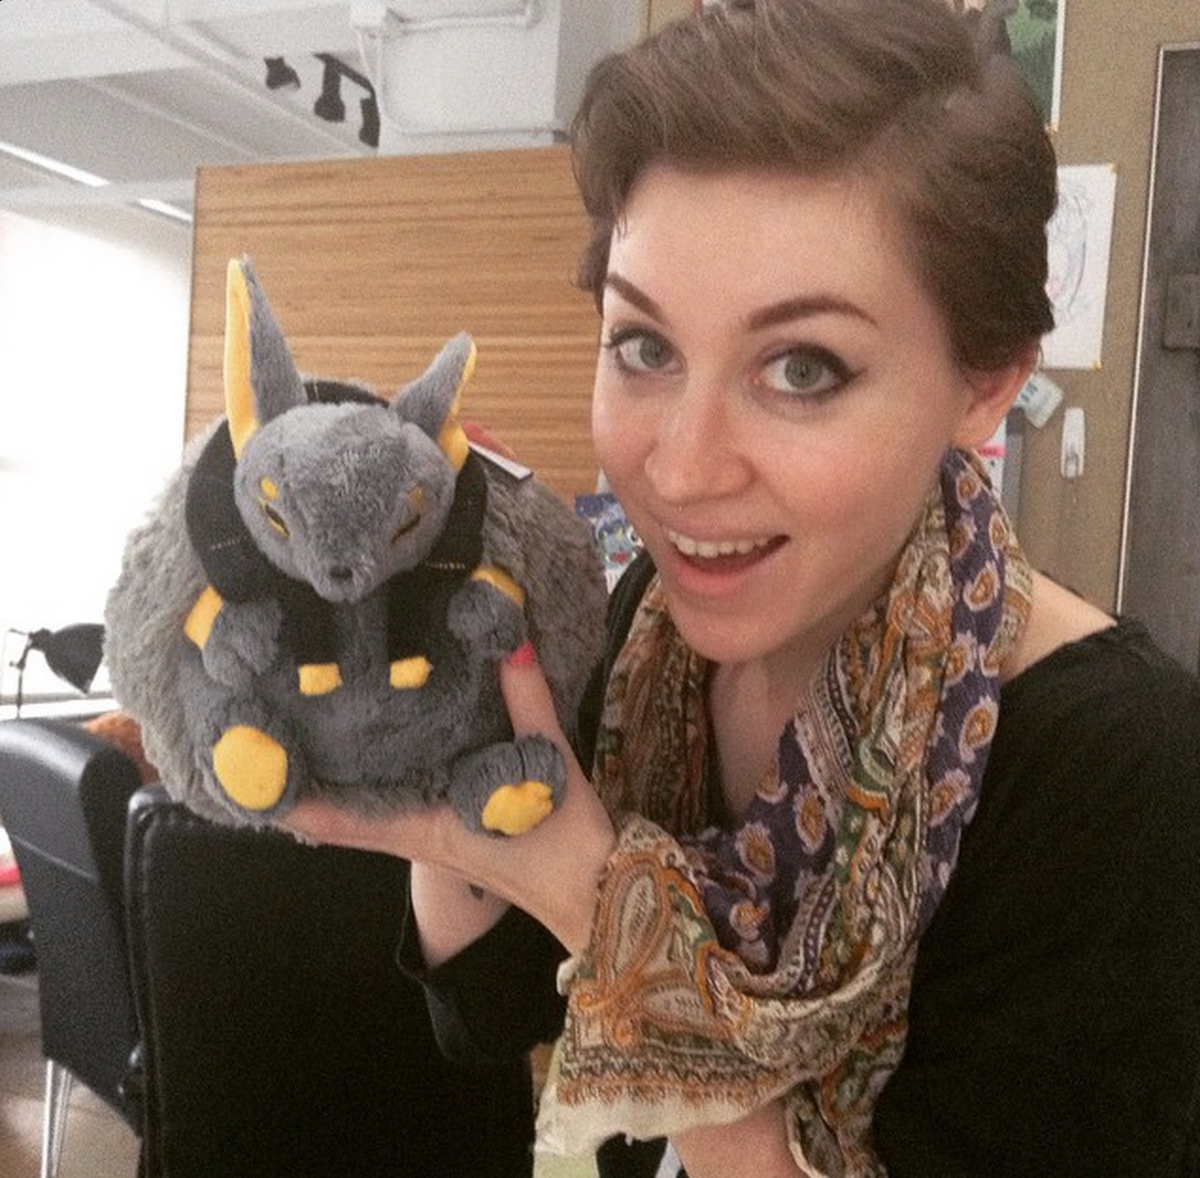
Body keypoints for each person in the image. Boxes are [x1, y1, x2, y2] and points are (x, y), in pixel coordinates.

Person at [282, 1, 1200, 1175]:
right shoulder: (649, 634)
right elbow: (493, 1006)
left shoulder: (1121, 771)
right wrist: (445, 764)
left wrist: (605, 906)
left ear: (983, 384)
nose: (679, 469)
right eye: (644, 346)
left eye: (802, 367)